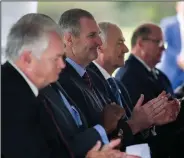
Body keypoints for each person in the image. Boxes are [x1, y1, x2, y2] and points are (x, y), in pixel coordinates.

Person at [1, 13, 126, 158]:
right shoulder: (12, 98)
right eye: (56, 58)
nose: (62, 64)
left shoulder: (22, 88)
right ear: (27, 59)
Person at [88, 22, 180, 156]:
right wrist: (138, 123)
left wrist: (149, 122)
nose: (126, 49)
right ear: (99, 46)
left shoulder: (116, 84)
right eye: (119, 43)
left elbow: (136, 128)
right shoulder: (90, 84)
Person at [57, 8, 136, 148]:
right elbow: (72, 143)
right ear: (69, 39)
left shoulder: (94, 75)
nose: (99, 42)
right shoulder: (59, 80)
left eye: (98, 34)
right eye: (92, 35)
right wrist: (105, 126)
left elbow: (115, 126)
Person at [115, 23, 182, 158]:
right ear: (140, 43)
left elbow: (171, 99)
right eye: (158, 42)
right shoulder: (130, 75)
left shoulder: (155, 73)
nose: (163, 48)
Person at [156, 2, 184, 90]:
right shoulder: (168, 24)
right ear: (177, 7)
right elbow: (163, 44)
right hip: (172, 69)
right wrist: (178, 59)